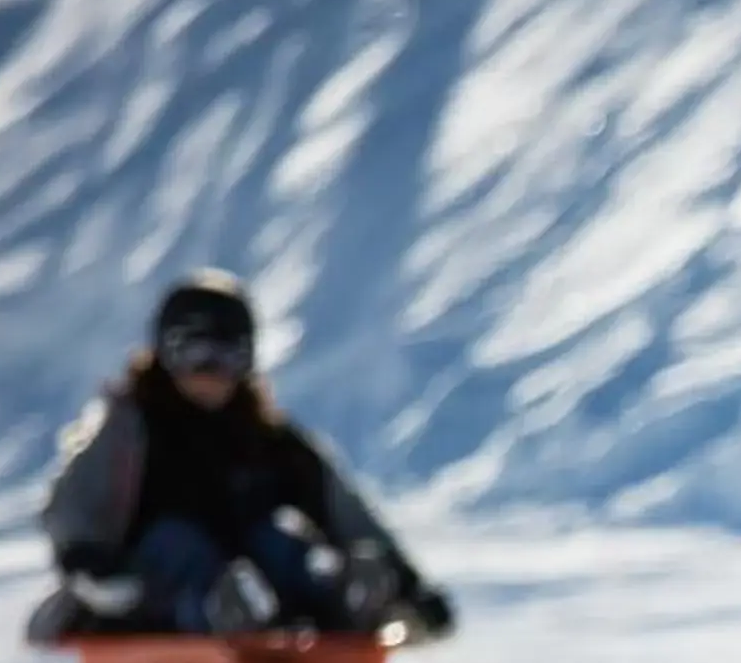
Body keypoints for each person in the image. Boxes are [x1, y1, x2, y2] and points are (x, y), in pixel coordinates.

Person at [29, 270, 455, 644]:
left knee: (279, 539)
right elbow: (71, 502)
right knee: (179, 542)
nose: (210, 372)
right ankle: (222, 615)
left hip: (260, 580)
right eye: (194, 353)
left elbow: (342, 506)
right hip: (147, 594)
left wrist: (409, 583)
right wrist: (84, 559)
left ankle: (346, 604)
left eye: (228, 356)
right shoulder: (130, 429)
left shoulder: (264, 435)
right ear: (164, 352)